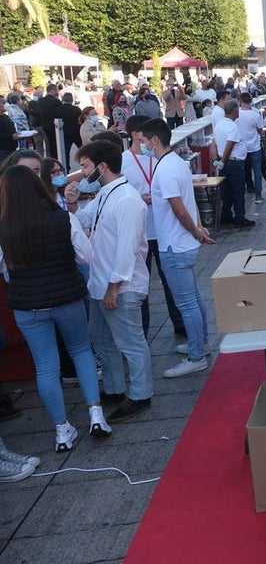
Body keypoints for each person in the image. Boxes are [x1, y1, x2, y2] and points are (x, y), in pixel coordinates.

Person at [0, 165, 109, 451]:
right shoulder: (63, 219)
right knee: (82, 351)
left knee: (45, 366)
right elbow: (86, 257)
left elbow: (6, 272)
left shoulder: (4, 228)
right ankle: (96, 414)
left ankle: (62, 430)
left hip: (27, 305)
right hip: (66, 296)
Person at [74, 140, 154, 423]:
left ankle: (141, 394)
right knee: (100, 337)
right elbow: (84, 219)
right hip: (102, 283)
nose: (82, 173)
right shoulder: (105, 193)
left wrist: (114, 286)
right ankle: (115, 387)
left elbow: (127, 249)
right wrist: (72, 201)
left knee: (130, 342)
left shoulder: (127, 199)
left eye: (85, 166)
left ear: (102, 166)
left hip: (120, 286)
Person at [139, 119, 216, 378]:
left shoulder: (165, 169)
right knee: (192, 297)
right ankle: (200, 343)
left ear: (154, 141)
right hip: (182, 242)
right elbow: (186, 202)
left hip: (175, 245)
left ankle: (197, 355)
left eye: (142, 141)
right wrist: (198, 229)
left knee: (187, 303)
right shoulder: (175, 163)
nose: (141, 146)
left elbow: (178, 207)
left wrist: (196, 230)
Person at [121, 115, 185, 340]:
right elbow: (121, 194)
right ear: (133, 135)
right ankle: (143, 331)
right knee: (141, 284)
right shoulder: (122, 161)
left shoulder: (159, 157)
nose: (147, 141)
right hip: (140, 233)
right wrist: (139, 197)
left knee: (172, 282)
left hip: (164, 230)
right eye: (143, 135)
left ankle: (181, 325)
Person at [212, 100, 253, 227]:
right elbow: (230, 145)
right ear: (235, 111)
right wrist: (223, 161)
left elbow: (213, 144)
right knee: (238, 191)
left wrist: (216, 161)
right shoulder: (232, 127)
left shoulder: (219, 125)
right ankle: (240, 218)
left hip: (223, 162)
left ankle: (226, 215)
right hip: (233, 163)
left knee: (227, 191)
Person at [236, 93, 266, 202]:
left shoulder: (236, 114)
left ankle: (242, 193)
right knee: (257, 170)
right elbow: (260, 129)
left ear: (240, 101)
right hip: (254, 146)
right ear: (251, 101)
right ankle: (258, 194)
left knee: (242, 171)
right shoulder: (255, 114)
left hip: (241, 147)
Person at [57, 93, 83, 171]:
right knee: (82, 149)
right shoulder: (76, 109)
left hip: (64, 133)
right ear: (72, 100)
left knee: (65, 152)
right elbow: (80, 120)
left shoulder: (59, 109)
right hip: (76, 132)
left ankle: (66, 168)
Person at [0, 100, 19, 164]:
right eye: (1, 105)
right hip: (3, 149)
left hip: (12, 147)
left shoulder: (5, 116)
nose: (3, 106)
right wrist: (11, 137)